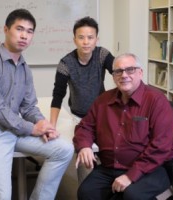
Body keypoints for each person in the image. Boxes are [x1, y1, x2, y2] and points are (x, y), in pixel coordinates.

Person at [0, 9, 74, 200]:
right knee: (2, 196)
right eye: (20, 29)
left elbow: (29, 106)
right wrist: (33, 128)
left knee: (64, 149)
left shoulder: (24, 68)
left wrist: (44, 125)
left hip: (13, 129)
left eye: (30, 31)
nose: (24, 35)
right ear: (6, 29)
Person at [73, 53, 173, 200]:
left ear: (140, 73)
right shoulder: (103, 100)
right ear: (113, 76)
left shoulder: (157, 101)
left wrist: (130, 176)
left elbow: (161, 146)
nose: (124, 75)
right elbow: (85, 126)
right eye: (118, 71)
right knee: (86, 193)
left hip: (151, 169)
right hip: (110, 167)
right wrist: (84, 145)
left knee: (130, 196)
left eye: (130, 70)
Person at [50, 16, 114, 183]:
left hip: (103, 114)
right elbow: (58, 95)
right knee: (84, 152)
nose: (86, 42)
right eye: (81, 37)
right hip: (80, 116)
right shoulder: (66, 63)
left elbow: (120, 74)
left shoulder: (102, 55)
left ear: (96, 39)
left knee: (110, 149)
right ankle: (86, 189)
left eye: (90, 37)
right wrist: (52, 125)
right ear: (74, 40)